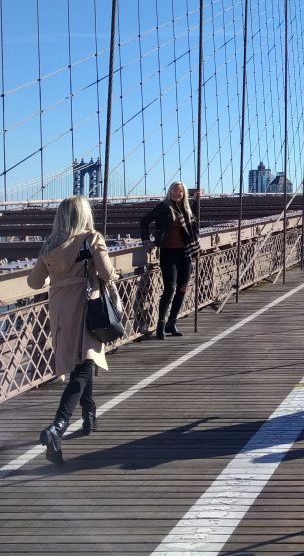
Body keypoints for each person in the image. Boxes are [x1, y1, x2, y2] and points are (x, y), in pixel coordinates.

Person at [27, 196, 119, 465]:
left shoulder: (50, 245)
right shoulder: (91, 239)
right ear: (84, 214)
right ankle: (57, 427)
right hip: (85, 307)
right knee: (82, 367)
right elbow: (105, 271)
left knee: (83, 360)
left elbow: (34, 283)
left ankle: (89, 415)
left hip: (59, 309)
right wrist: (113, 276)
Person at [140, 181, 199, 340]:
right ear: (169, 192)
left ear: (184, 193)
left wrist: (196, 202)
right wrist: (146, 240)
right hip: (168, 253)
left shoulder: (187, 209)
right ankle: (160, 324)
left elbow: (195, 228)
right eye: (174, 190)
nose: (177, 193)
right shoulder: (163, 207)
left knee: (182, 288)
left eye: (180, 191)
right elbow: (144, 222)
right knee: (170, 288)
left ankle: (171, 323)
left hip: (185, 253)